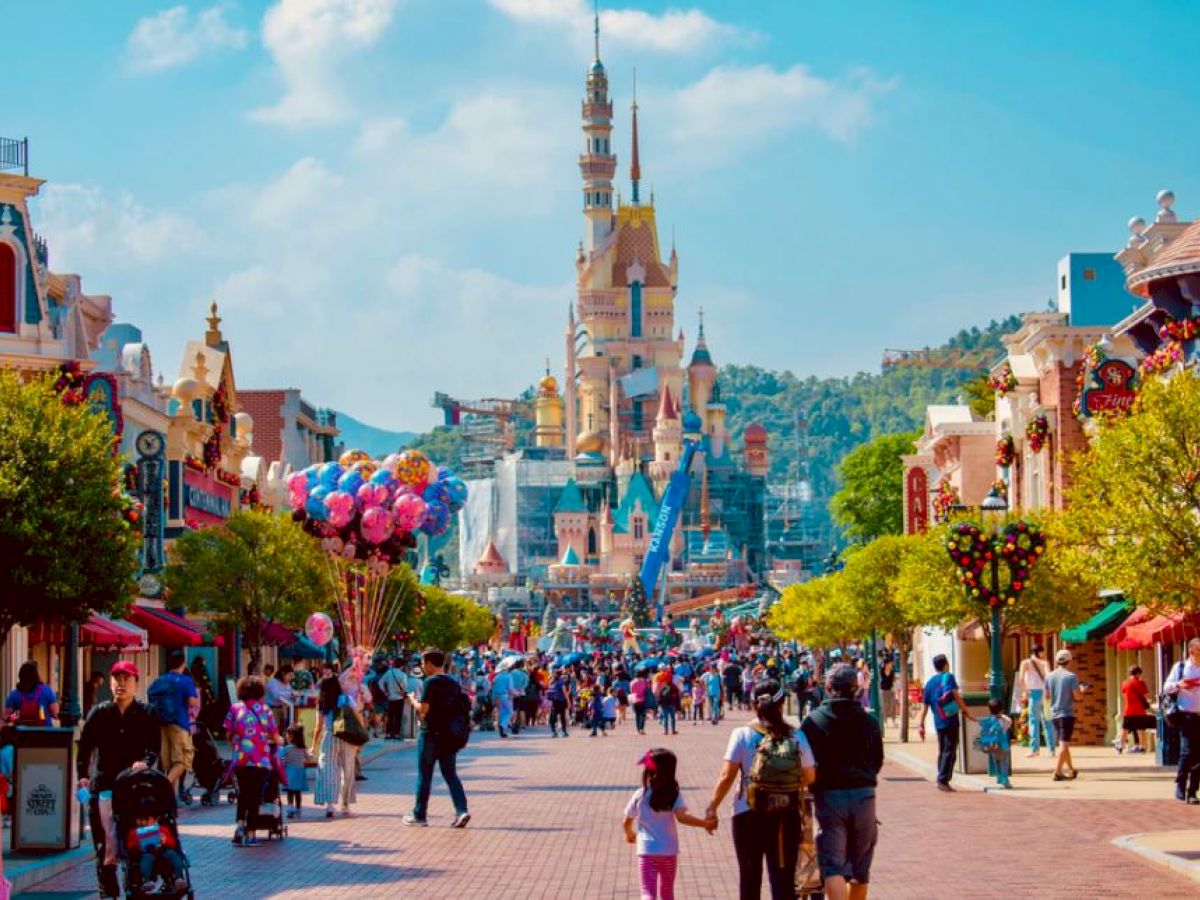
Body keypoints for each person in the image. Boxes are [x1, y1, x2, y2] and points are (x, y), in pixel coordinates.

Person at [705, 679, 817, 900]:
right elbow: (810, 776)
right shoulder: (796, 735)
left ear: (753, 703)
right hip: (785, 815)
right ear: (782, 703)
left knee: (749, 876)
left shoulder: (742, 734)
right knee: (783, 878)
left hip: (747, 813)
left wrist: (712, 807)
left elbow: (727, 775)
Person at [76, 662, 161, 898]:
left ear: (136, 683)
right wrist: (82, 776)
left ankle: (139, 881)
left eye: (126, 679)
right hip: (104, 787)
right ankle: (108, 891)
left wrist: (144, 762)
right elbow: (84, 749)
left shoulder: (147, 713)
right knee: (104, 844)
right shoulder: (99, 713)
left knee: (141, 836)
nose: (121, 684)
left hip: (136, 788)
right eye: (116, 679)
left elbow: (154, 750)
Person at [801, 664, 884, 900]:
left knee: (833, 865)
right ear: (856, 689)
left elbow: (806, 762)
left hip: (829, 797)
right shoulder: (868, 721)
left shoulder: (813, 722)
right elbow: (877, 760)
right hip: (864, 795)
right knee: (860, 869)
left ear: (828, 688)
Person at [623, 748, 714, 900]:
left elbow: (626, 820)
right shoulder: (674, 794)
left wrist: (629, 833)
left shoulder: (640, 794)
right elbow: (683, 817)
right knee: (667, 890)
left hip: (646, 852)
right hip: (668, 851)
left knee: (647, 892)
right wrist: (704, 824)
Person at [404, 649, 470, 828]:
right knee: (450, 774)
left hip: (431, 733)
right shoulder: (453, 683)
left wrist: (412, 701)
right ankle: (461, 809)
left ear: (431, 664)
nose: (423, 667)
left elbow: (424, 709)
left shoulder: (430, 682)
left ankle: (419, 814)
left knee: (425, 775)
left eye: (424, 663)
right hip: (449, 735)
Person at [224, 676, 280, 845]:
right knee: (255, 797)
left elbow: (227, 734)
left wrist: (237, 746)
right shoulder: (265, 710)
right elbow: (275, 735)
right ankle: (250, 833)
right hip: (260, 761)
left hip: (240, 760)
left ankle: (240, 827)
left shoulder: (235, 709)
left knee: (243, 794)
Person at [918, 654, 974, 792]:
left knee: (943, 750)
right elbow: (955, 694)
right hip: (950, 719)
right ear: (945, 664)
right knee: (950, 750)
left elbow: (924, 707)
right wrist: (965, 710)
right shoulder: (948, 677)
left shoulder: (929, 683)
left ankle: (941, 777)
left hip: (938, 721)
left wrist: (921, 724)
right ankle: (942, 780)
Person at [148, 648, 199, 792]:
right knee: (183, 761)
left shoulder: (160, 680)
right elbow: (193, 701)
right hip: (179, 724)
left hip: (162, 725)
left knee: (168, 765)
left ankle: (170, 799)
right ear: (183, 663)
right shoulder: (185, 680)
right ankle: (162, 786)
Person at [311, 674, 357, 818]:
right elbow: (356, 717)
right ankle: (345, 805)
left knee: (327, 769)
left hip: (330, 735)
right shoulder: (347, 699)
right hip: (347, 737)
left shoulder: (322, 703)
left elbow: (318, 727)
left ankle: (330, 805)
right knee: (348, 770)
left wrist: (313, 745)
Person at [1164, 637, 1200, 803]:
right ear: (1192, 651)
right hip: (1186, 715)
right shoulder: (1181, 667)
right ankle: (1180, 783)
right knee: (1187, 752)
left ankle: (1192, 791)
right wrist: (1180, 684)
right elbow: (1166, 687)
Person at [1044, 648, 1088, 781]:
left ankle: (1071, 769)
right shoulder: (1071, 677)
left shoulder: (1049, 676)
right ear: (1070, 661)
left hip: (1054, 714)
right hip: (1066, 714)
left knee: (1064, 743)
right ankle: (1057, 772)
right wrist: (1083, 690)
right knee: (1064, 745)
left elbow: (1046, 696)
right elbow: (1078, 697)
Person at [127, 812, 186, 894]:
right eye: (140, 820)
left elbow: (172, 843)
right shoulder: (134, 832)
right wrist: (137, 845)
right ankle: (147, 880)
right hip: (146, 852)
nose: (143, 823)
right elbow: (130, 846)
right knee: (146, 859)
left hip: (163, 850)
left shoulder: (162, 829)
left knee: (173, 854)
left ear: (156, 820)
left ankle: (179, 878)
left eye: (146, 820)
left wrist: (164, 840)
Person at [1018, 645, 1054, 757]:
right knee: (1047, 720)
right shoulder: (1045, 663)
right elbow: (1049, 677)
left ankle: (1034, 749)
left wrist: (1025, 692)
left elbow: (1021, 679)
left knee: (1033, 721)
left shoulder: (1025, 663)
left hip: (1033, 693)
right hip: (1045, 693)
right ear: (1040, 652)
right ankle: (1051, 749)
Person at [1115, 665, 1154, 754]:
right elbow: (1146, 696)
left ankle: (1120, 746)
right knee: (1141, 729)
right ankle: (1142, 747)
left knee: (1125, 729)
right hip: (1140, 710)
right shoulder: (1141, 683)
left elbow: (1124, 696)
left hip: (1128, 710)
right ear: (1138, 673)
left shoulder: (1124, 683)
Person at [5, 661, 59, 726]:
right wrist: (44, 714)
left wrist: (18, 715)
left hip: (23, 734)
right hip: (44, 733)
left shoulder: (14, 695)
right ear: (36, 676)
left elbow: (7, 718)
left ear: (20, 677)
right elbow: (56, 714)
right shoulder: (46, 691)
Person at [975, 699, 1013, 789]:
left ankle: (999, 777)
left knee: (997, 762)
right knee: (1004, 763)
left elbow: (982, 729)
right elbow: (1009, 722)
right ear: (1002, 710)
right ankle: (1005, 780)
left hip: (992, 746)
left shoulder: (989, 721)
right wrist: (1001, 714)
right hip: (1003, 745)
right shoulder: (1004, 720)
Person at [279, 723, 309, 819]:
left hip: (290, 773)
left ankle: (290, 810)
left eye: (287, 734)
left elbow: (280, 758)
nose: (286, 736)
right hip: (300, 773)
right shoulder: (303, 748)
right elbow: (308, 758)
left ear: (291, 736)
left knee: (290, 793)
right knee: (297, 793)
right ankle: (298, 809)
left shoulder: (287, 748)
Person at [378, 657, 409, 740]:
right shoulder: (403, 675)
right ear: (402, 666)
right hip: (400, 698)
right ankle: (396, 734)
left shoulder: (388, 673)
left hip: (390, 698)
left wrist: (385, 692)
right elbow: (405, 688)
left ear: (394, 664)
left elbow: (380, 682)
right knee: (398, 716)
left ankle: (388, 733)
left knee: (390, 716)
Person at [265, 664, 295, 731]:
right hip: (272, 709)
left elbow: (290, 694)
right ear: (283, 674)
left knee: (284, 728)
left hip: (282, 708)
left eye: (292, 676)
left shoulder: (287, 684)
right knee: (274, 729)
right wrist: (291, 694)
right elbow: (277, 695)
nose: (291, 678)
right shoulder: (273, 682)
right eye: (289, 675)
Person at [491, 663, 516, 738]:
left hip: (497, 697)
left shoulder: (496, 677)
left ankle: (503, 732)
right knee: (509, 712)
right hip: (505, 696)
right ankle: (503, 726)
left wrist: (493, 698)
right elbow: (511, 688)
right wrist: (516, 693)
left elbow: (493, 689)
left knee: (502, 713)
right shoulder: (509, 676)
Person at [548, 668, 571, 737]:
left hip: (554, 701)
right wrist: (568, 701)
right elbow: (564, 692)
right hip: (561, 701)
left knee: (553, 717)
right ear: (560, 675)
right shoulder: (561, 682)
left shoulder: (552, 681)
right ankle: (564, 732)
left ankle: (553, 732)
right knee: (562, 716)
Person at [630, 670, 650, 735]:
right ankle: (642, 728)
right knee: (643, 715)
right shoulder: (643, 682)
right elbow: (645, 690)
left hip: (635, 699)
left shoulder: (632, 682)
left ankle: (638, 729)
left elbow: (631, 691)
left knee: (637, 715)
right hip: (642, 699)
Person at [879, 656, 896, 725]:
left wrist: (895, 688)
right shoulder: (881, 671)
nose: (891, 665)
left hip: (891, 690)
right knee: (885, 706)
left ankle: (893, 720)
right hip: (883, 690)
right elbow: (880, 680)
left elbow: (893, 681)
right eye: (889, 664)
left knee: (892, 705)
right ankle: (885, 720)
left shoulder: (892, 672)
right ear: (886, 664)